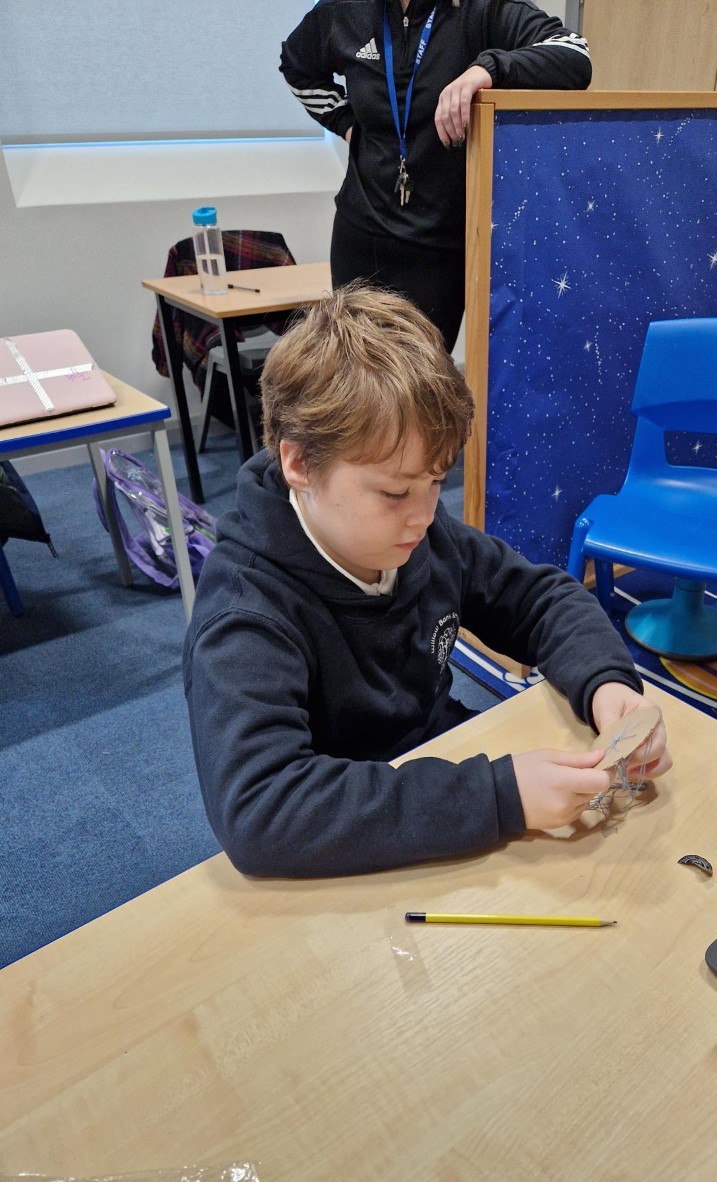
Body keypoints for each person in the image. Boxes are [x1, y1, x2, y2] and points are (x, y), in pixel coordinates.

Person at [183, 286, 671, 877]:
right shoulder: (246, 614)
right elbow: (264, 810)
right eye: (394, 492)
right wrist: (498, 797)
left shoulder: (420, 535)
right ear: (299, 464)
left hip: (439, 779)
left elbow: (540, 599)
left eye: (436, 482)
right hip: (343, 845)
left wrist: (606, 684)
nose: (423, 515)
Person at [279, 0, 591, 352]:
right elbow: (295, 66)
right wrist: (345, 123)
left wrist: (487, 69)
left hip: (439, 251)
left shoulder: (482, 10)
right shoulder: (344, 10)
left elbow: (575, 56)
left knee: (421, 380)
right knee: (352, 374)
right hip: (361, 236)